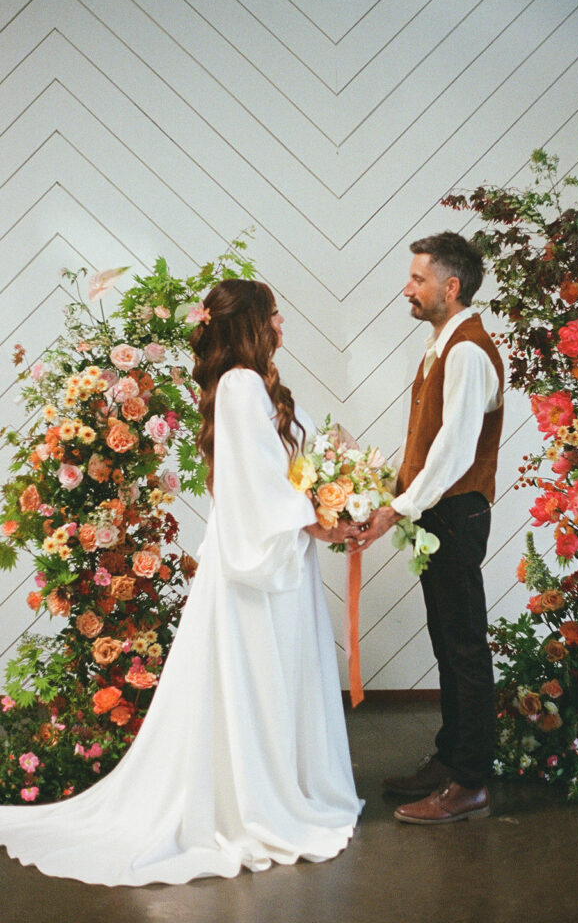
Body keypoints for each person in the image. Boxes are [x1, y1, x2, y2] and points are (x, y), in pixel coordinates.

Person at [0, 279, 362, 884]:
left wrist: (316, 495)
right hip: (256, 570)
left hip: (255, 553)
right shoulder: (244, 385)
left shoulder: (238, 386)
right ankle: (255, 802)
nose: (281, 325)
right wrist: (319, 518)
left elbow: (263, 479)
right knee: (256, 678)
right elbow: (259, 489)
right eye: (275, 314)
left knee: (249, 683)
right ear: (252, 323)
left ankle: (258, 786)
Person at [359, 232, 503, 824]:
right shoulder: (441, 344)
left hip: (456, 511)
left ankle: (470, 781)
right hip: (437, 510)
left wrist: (398, 507)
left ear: (450, 286)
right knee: (447, 640)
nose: (407, 288)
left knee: (463, 644)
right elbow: (428, 442)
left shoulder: (466, 350)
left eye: (417, 279)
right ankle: (451, 758)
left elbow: (454, 448)